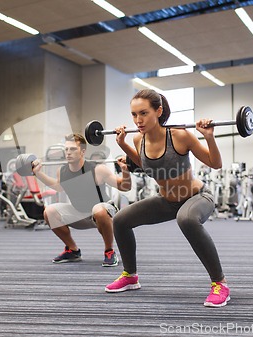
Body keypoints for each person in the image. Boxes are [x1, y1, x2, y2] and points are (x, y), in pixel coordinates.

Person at [106, 89, 230, 308]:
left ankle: (220, 284)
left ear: (159, 111)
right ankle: (130, 276)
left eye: (143, 113)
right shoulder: (138, 139)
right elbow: (145, 166)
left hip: (197, 196)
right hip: (167, 201)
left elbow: (215, 163)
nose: (138, 120)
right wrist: (123, 144)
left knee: (187, 219)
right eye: (134, 115)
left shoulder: (180, 136)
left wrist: (209, 137)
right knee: (120, 220)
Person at [31, 133, 132, 267]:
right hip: (80, 213)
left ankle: (109, 251)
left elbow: (125, 187)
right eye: (66, 149)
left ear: (83, 151)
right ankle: (72, 250)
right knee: (49, 211)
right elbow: (58, 187)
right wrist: (38, 173)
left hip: (104, 213)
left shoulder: (98, 169)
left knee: (98, 210)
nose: (68, 153)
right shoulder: (63, 171)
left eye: (73, 149)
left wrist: (125, 171)